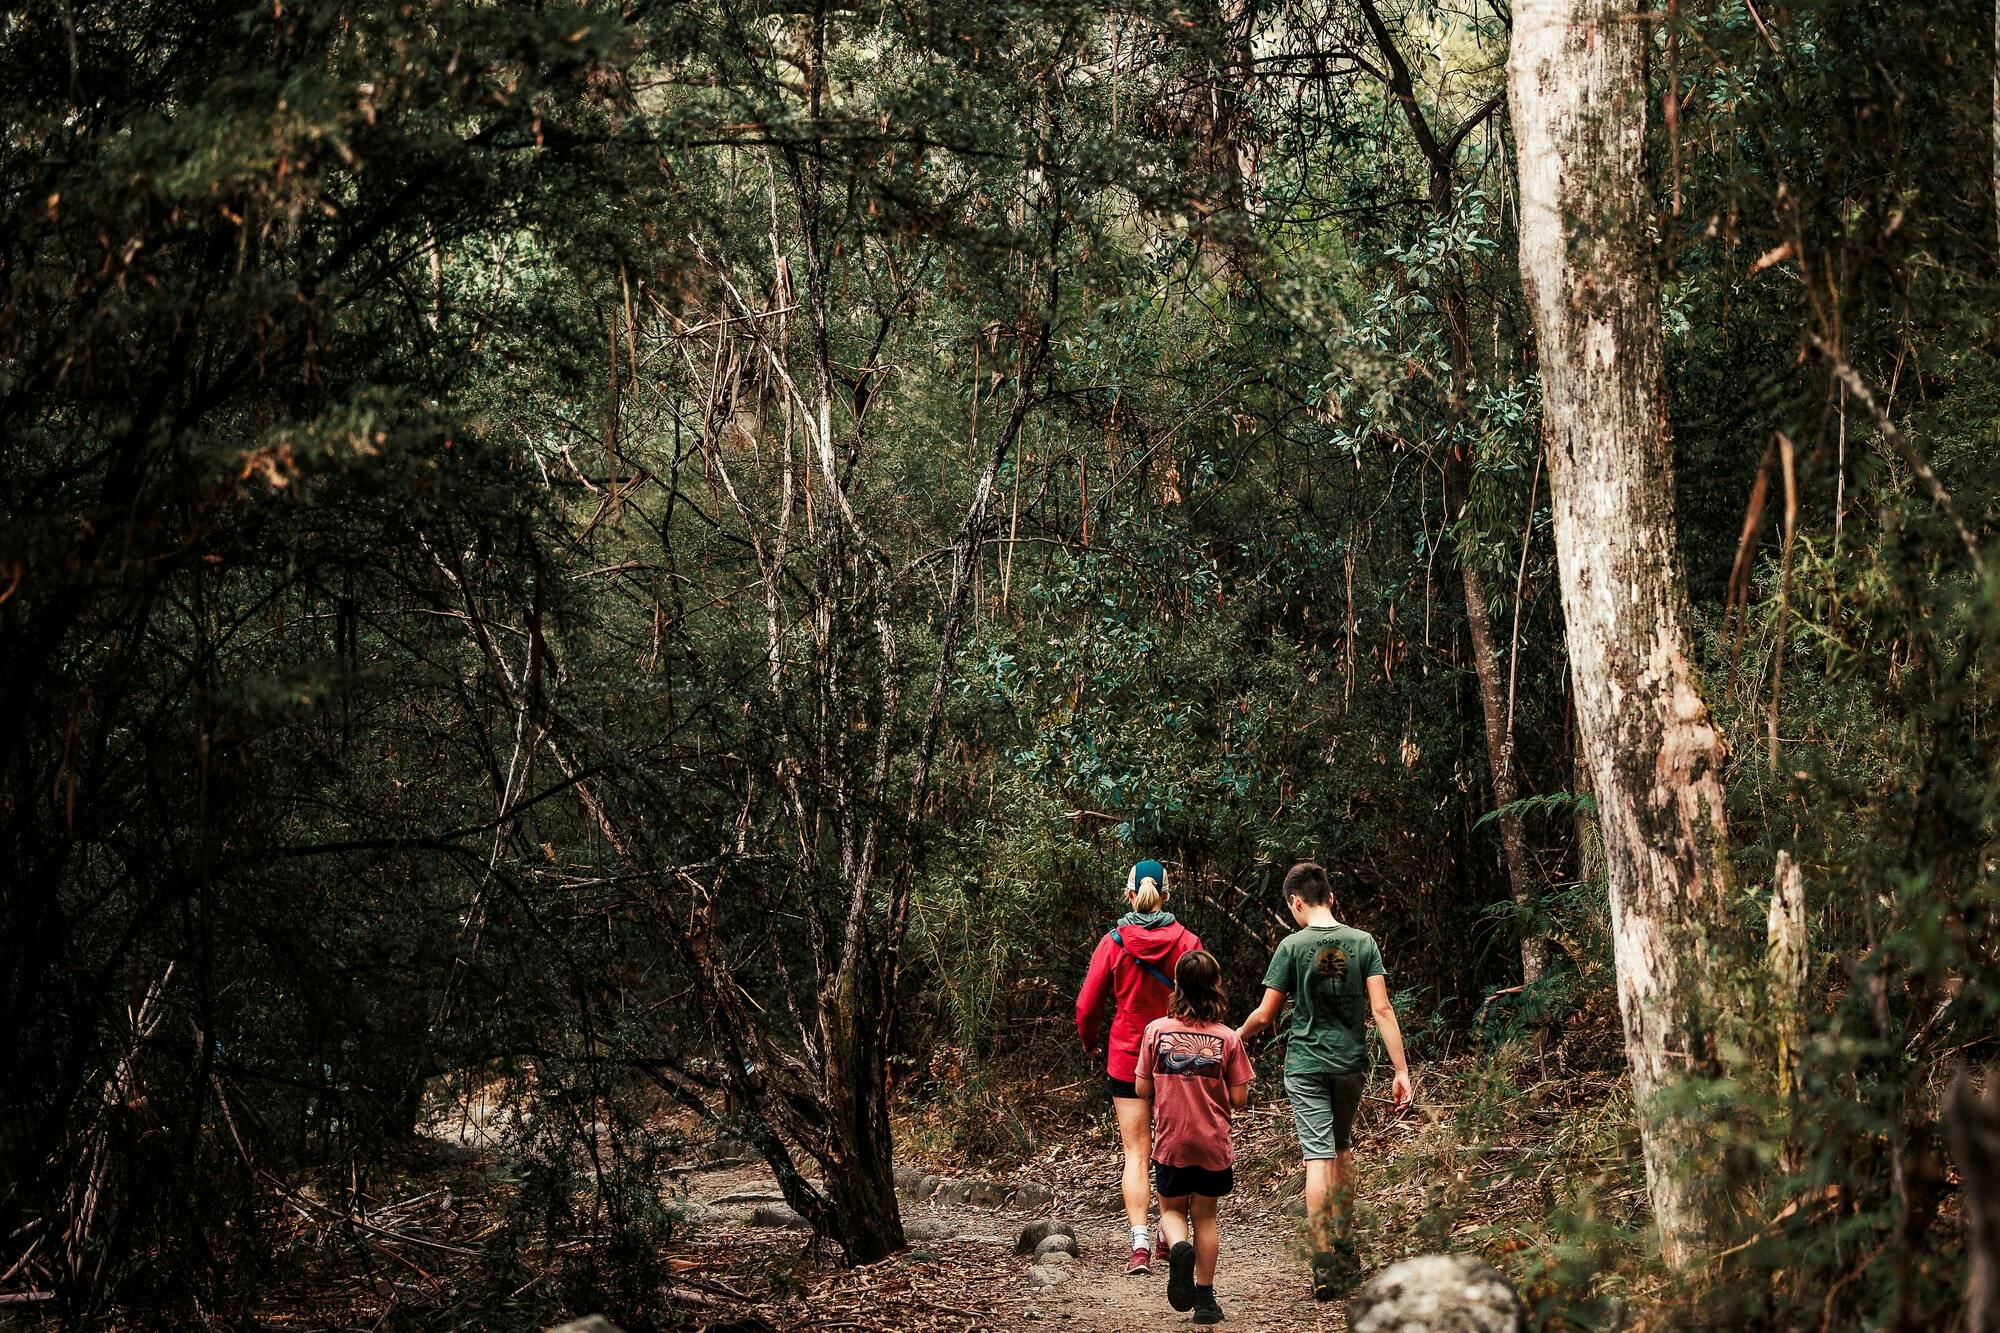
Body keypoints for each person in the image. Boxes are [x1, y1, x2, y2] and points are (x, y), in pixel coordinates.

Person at [1236, 861, 1413, 1300]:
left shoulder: (1291, 947)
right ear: (1330, 897)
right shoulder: (1363, 942)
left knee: (1317, 1158)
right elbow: (1383, 1010)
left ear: (1296, 902)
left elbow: (1266, 1014)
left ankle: (1322, 1264)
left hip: (1306, 1065)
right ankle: (1346, 1246)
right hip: (1350, 1063)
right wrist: (1401, 1070)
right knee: (1342, 1148)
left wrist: (1233, 1038)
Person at [1076, 858, 1203, 1275]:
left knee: (1136, 1152)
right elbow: (1204, 1002)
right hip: (1179, 1055)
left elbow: (1088, 1004)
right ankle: (1171, 1233)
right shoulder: (1187, 942)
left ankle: (1140, 1244)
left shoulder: (1113, 942)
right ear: (1166, 895)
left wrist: (1090, 1041)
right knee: (1175, 1149)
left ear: (1129, 894)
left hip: (1128, 1056)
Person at [1136, 950, 1252, 1325]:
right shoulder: (1228, 1038)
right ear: (1215, 986)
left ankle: (1178, 1247)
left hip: (1171, 1141)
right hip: (1213, 1143)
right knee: (1206, 1216)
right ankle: (1204, 1300)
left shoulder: (1156, 1031)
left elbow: (1141, 1088)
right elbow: (1239, 1098)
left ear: (1178, 986)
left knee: (1171, 1209)